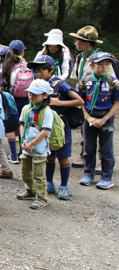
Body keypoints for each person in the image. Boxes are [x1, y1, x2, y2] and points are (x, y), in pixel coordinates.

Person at [28, 55, 84, 200]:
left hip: (59, 126)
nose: (38, 73)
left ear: (51, 69)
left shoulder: (59, 84)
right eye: (36, 70)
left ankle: (64, 186)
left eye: (41, 70)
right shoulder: (36, 84)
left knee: (63, 157)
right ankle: (49, 183)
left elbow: (79, 100)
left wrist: (60, 103)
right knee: (49, 156)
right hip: (44, 125)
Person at [69, 26, 112, 168]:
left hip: (102, 103)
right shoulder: (80, 58)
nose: (75, 42)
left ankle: (101, 162)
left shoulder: (101, 58)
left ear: (87, 42)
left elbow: (111, 80)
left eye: (78, 40)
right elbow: (78, 80)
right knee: (86, 131)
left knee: (103, 134)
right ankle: (84, 157)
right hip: (85, 101)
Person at [77, 52, 119, 190]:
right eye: (100, 64)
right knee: (89, 148)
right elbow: (80, 100)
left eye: (107, 64)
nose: (104, 67)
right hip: (89, 118)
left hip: (105, 118)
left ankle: (107, 177)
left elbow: (117, 103)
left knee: (106, 149)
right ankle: (88, 174)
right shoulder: (85, 81)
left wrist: (104, 119)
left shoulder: (113, 82)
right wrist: (88, 117)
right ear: (92, 65)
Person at [16, 80, 54, 209]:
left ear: (45, 96)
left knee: (39, 174)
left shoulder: (46, 112)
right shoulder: (27, 108)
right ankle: (30, 191)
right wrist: (23, 140)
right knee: (25, 171)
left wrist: (32, 143)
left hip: (39, 148)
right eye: (30, 93)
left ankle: (42, 197)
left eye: (35, 94)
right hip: (27, 147)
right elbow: (22, 124)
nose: (31, 96)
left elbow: (46, 130)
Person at [0, 40, 31, 163]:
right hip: (27, 99)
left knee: (11, 128)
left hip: (11, 100)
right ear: (23, 52)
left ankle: (13, 155)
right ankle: (23, 152)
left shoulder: (7, 66)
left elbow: (2, 86)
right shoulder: (27, 65)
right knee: (24, 124)